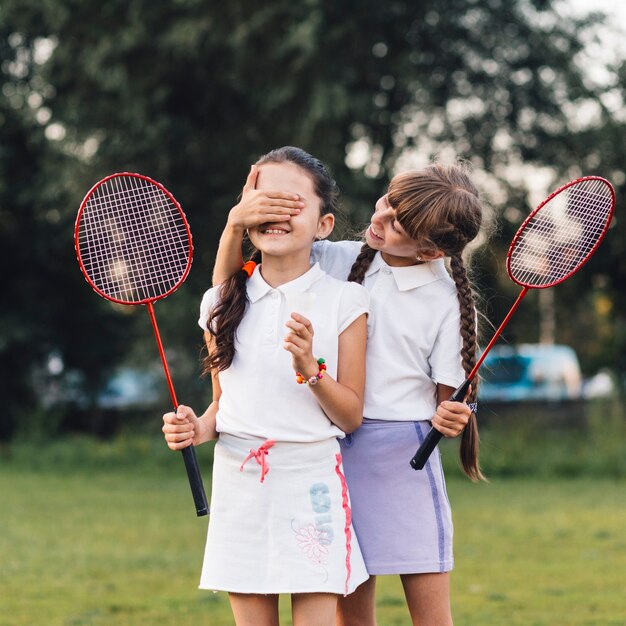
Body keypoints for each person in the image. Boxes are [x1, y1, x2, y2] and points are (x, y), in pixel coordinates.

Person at [212, 160, 485, 626]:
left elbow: (450, 401)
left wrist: (455, 415)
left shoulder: (446, 299)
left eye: (396, 223)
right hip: (330, 452)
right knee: (350, 615)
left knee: (431, 615)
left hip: (403, 457)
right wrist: (237, 220)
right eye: (387, 202)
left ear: (430, 252)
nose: (378, 219)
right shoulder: (335, 256)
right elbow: (232, 289)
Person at [162, 146, 371, 626]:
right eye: (263, 200)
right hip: (241, 486)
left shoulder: (346, 300)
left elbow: (351, 415)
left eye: (291, 202)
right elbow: (221, 407)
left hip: (311, 484)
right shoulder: (220, 301)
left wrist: (310, 367)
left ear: (323, 224)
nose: (274, 213)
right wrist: (195, 428)